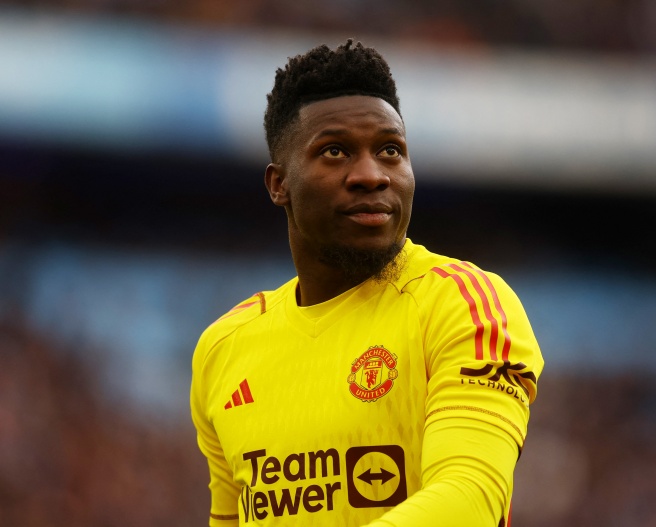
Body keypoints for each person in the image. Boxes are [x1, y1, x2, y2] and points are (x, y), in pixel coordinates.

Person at [190, 39, 544, 527]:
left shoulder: (460, 303)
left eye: (390, 150)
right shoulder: (223, 350)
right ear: (279, 184)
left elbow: (468, 500)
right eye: (335, 151)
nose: (371, 175)